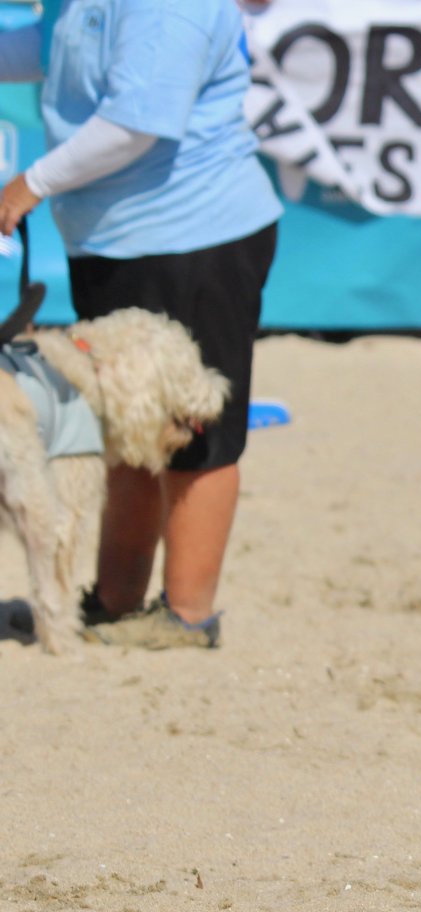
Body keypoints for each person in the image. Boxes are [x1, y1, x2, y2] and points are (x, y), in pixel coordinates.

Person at [0, 0, 282, 648]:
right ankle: (117, 602)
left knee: (195, 426)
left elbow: (138, 122)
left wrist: (31, 183)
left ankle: (186, 616)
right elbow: (33, 52)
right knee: (123, 427)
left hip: (195, 234)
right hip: (113, 238)